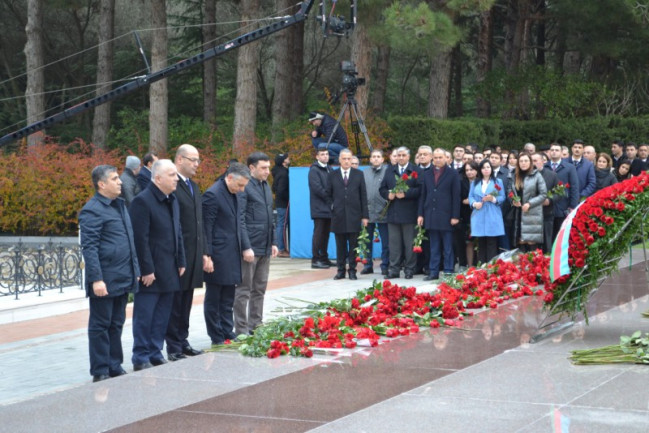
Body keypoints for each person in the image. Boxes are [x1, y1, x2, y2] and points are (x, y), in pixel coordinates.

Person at [79, 165, 140, 382]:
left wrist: (135, 271)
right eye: (115, 179)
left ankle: (115, 365)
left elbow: (129, 242)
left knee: (116, 323)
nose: (120, 181)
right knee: (100, 326)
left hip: (122, 276)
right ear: (101, 184)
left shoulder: (120, 205)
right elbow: (90, 247)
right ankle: (100, 370)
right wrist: (96, 279)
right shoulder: (92, 209)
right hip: (104, 279)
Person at [129, 159, 186, 370]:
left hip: (170, 267)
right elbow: (140, 238)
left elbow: (177, 231)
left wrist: (181, 259)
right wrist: (146, 269)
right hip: (151, 270)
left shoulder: (172, 199)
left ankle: (155, 351)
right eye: (172, 175)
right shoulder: (142, 201)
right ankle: (140, 356)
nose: (176, 178)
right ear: (158, 178)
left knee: (162, 315)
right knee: (145, 316)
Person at [165, 144, 209, 362]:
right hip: (178, 255)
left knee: (187, 300)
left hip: (193, 253)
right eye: (193, 159)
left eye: (198, 160)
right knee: (175, 302)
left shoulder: (194, 186)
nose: (197, 164)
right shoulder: (172, 187)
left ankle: (183, 341)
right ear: (179, 160)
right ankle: (173, 345)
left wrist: (204, 252)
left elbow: (199, 223)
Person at [202, 162, 251, 345]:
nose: (242, 189)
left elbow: (238, 222)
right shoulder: (212, 195)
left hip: (232, 252)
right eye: (240, 185)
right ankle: (216, 335)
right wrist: (207, 255)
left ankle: (226, 330)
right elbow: (206, 227)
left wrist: (245, 246)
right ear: (229, 177)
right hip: (217, 255)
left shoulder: (235, 194)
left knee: (228, 296)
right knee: (215, 297)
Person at [235, 152, 278, 335]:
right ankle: (241, 329)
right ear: (252, 168)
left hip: (265, 246)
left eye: (268, 167)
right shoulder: (245, 187)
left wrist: (274, 242)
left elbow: (271, 216)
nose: (267, 171)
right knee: (244, 290)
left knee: (259, 289)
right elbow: (240, 219)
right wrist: (246, 246)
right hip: (251, 247)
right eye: (263, 168)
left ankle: (256, 325)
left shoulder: (265, 185)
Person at [418, 148, 461, 280]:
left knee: (447, 246)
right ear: (432, 158)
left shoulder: (453, 173)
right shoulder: (427, 174)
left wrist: (455, 216)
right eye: (435, 157)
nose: (438, 160)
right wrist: (420, 214)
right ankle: (433, 271)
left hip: (447, 216)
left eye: (440, 157)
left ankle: (448, 270)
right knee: (433, 246)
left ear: (446, 158)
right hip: (431, 214)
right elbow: (423, 195)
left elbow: (456, 196)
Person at [379, 146, 421, 279]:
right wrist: (387, 195)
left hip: (409, 213)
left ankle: (409, 269)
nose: (401, 158)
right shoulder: (389, 170)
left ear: (409, 156)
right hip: (393, 213)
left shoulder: (416, 170)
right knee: (394, 244)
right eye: (399, 155)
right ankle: (394, 270)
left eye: (403, 155)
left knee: (409, 244)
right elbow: (382, 188)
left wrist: (406, 194)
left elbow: (420, 190)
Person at [327, 149, 369, 280]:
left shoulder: (358, 174)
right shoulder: (332, 175)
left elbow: (363, 195)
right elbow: (328, 194)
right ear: (339, 160)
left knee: (353, 245)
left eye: (349, 159)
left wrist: (365, 216)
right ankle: (340, 270)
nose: (346, 161)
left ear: (352, 160)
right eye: (344, 159)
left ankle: (352, 270)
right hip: (338, 216)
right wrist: (333, 207)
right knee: (340, 246)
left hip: (354, 215)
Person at [507, 153, 547, 252]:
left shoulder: (536, 175)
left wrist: (530, 203)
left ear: (530, 162)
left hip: (532, 214)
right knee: (520, 242)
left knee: (531, 243)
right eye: (521, 161)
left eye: (526, 161)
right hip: (517, 213)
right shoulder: (513, 175)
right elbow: (509, 191)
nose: (523, 163)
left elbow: (543, 194)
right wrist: (513, 200)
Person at [468, 159, 506, 264]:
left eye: (488, 167)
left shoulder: (498, 182)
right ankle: (481, 267)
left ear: (491, 169)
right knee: (481, 242)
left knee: (491, 242)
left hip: (492, 213)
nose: (486, 170)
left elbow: (502, 197)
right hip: (479, 213)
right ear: (480, 170)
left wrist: (493, 199)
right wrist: (475, 204)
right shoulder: (475, 182)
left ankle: (490, 267)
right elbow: (470, 196)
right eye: (484, 168)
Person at [362, 149, 390, 276]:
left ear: (383, 159)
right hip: (368, 212)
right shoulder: (365, 173)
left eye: (378, 156)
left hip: (384, 212)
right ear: (370, 159)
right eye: (374, 156)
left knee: (386, 242)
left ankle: (385, 265)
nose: (376, 159)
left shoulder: (388, 172)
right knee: (366, 241)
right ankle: (367, 265)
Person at [546, 143, 580, 240]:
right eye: (552, 150)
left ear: (561, 153)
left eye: (557, 150)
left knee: (561, 236)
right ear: (549, 152)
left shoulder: (569, 167)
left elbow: (574, 187)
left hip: (563, 207)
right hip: (547, 207)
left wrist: (572, 206)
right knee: (548, 236)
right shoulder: (544, 167)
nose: (554, 152)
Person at [308, 146, 333, 269]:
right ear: (317, 156)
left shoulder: (330, 168)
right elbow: (317, 189)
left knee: (326, 234)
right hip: (319, 208)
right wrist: (330, 198)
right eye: (322, 154)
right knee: (318, 233)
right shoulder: (314, 170)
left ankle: (324, 257)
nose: (325, 156)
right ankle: (315, 259)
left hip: (329, 208)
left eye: (327, 154)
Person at [531, 152, 558, 253]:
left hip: (546, 214)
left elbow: (561, 192)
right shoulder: (525, 175)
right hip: (530, 216)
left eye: (535, 161)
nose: (533, 163)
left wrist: (549, 200)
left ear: (542, 161)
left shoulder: (552, 175)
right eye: (531, 161)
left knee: (547, 243)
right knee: (532, 245)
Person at [458, 161, 479, 268]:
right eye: (467, 170)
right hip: (467, 216)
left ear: (476, 170)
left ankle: (480, 264)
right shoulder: (461, 182)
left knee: (480, 241)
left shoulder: (482, 181)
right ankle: (469, 266)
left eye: (471, 170)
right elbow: (461, 199)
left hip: (480, 215)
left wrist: (470, 201)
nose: (469, 172)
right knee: (469, 241)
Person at [271, 153, 290, 257]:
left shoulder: (277, 172)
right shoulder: (283, 174)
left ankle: (281, 248)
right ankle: (281, 249)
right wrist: (290, 198)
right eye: (287, 158)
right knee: (282, 225)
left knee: (280, 224)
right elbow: (281, 190)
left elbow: (274, 188)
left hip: (280, 202)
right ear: (283, 162)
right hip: (283, 203)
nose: (289, 159)